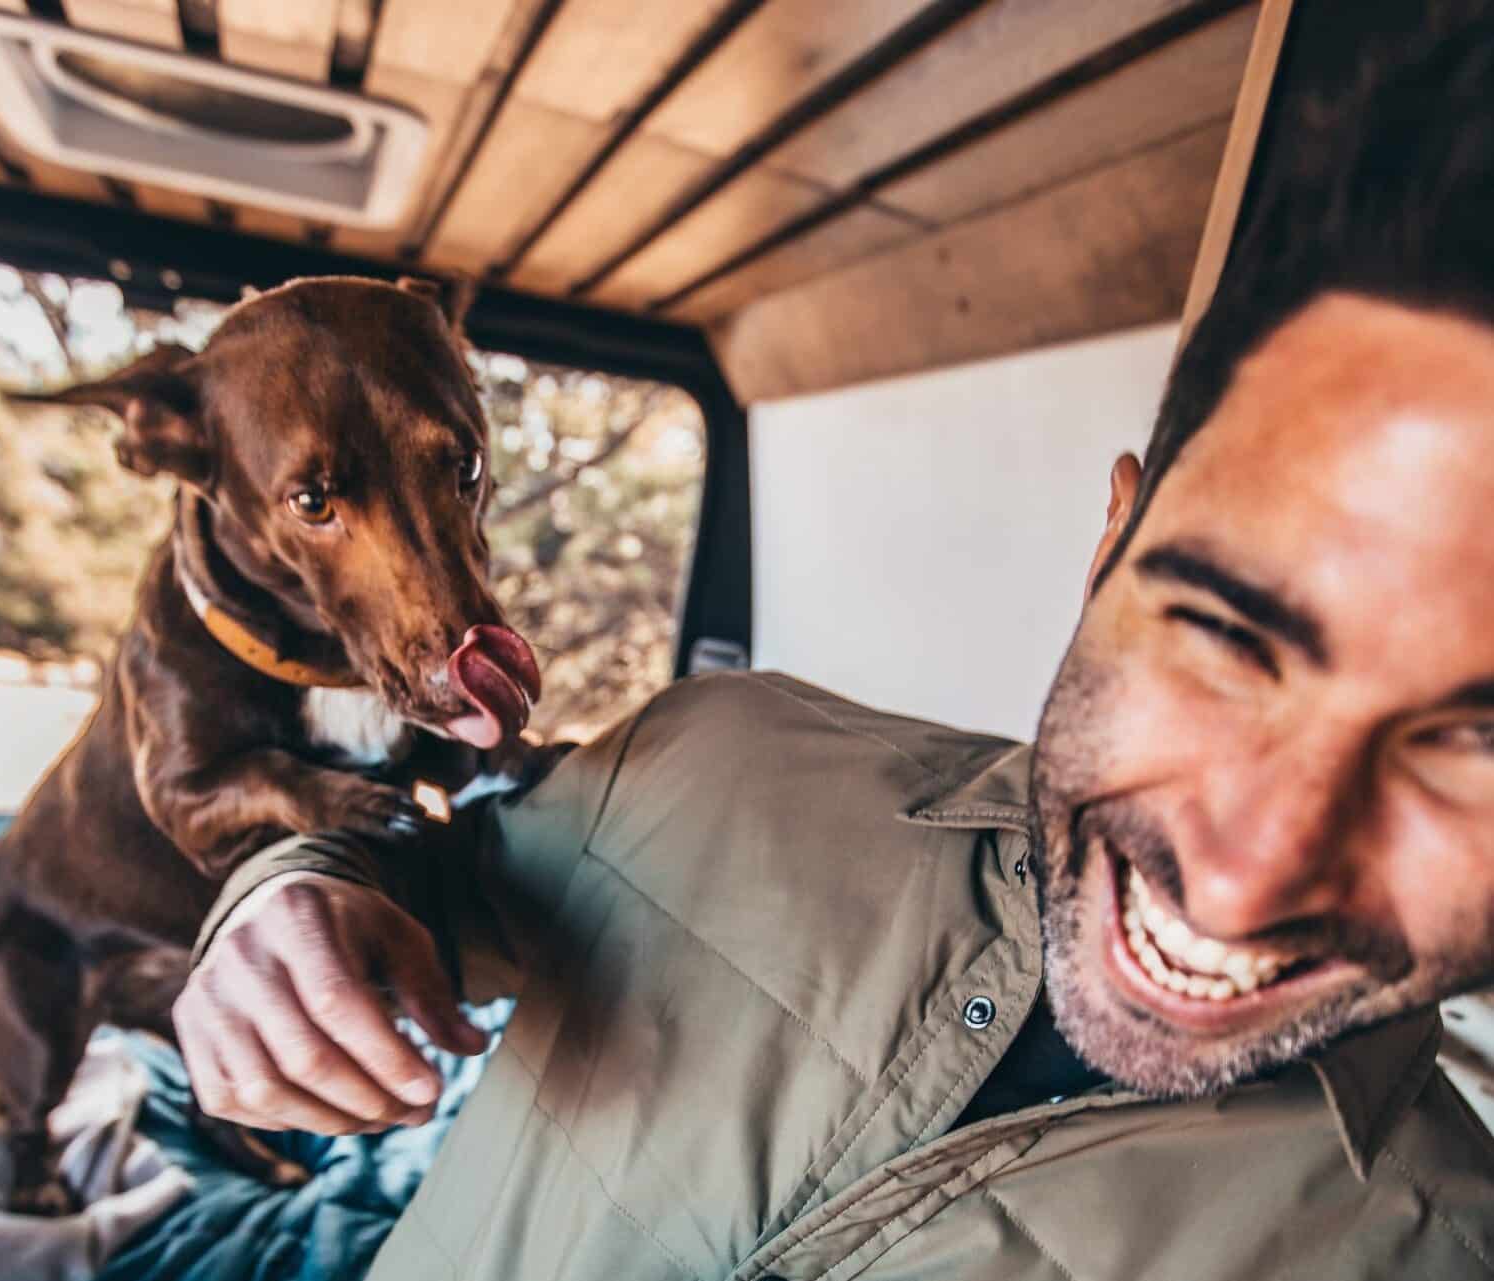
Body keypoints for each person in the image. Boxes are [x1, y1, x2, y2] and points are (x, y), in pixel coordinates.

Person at [173, 10, 1494, 1278]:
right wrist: (273, 904)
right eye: (1224, 632)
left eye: (1479, 745)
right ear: (1113, 544)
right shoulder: (712, 753)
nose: (1246, 875)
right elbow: (414, 882)